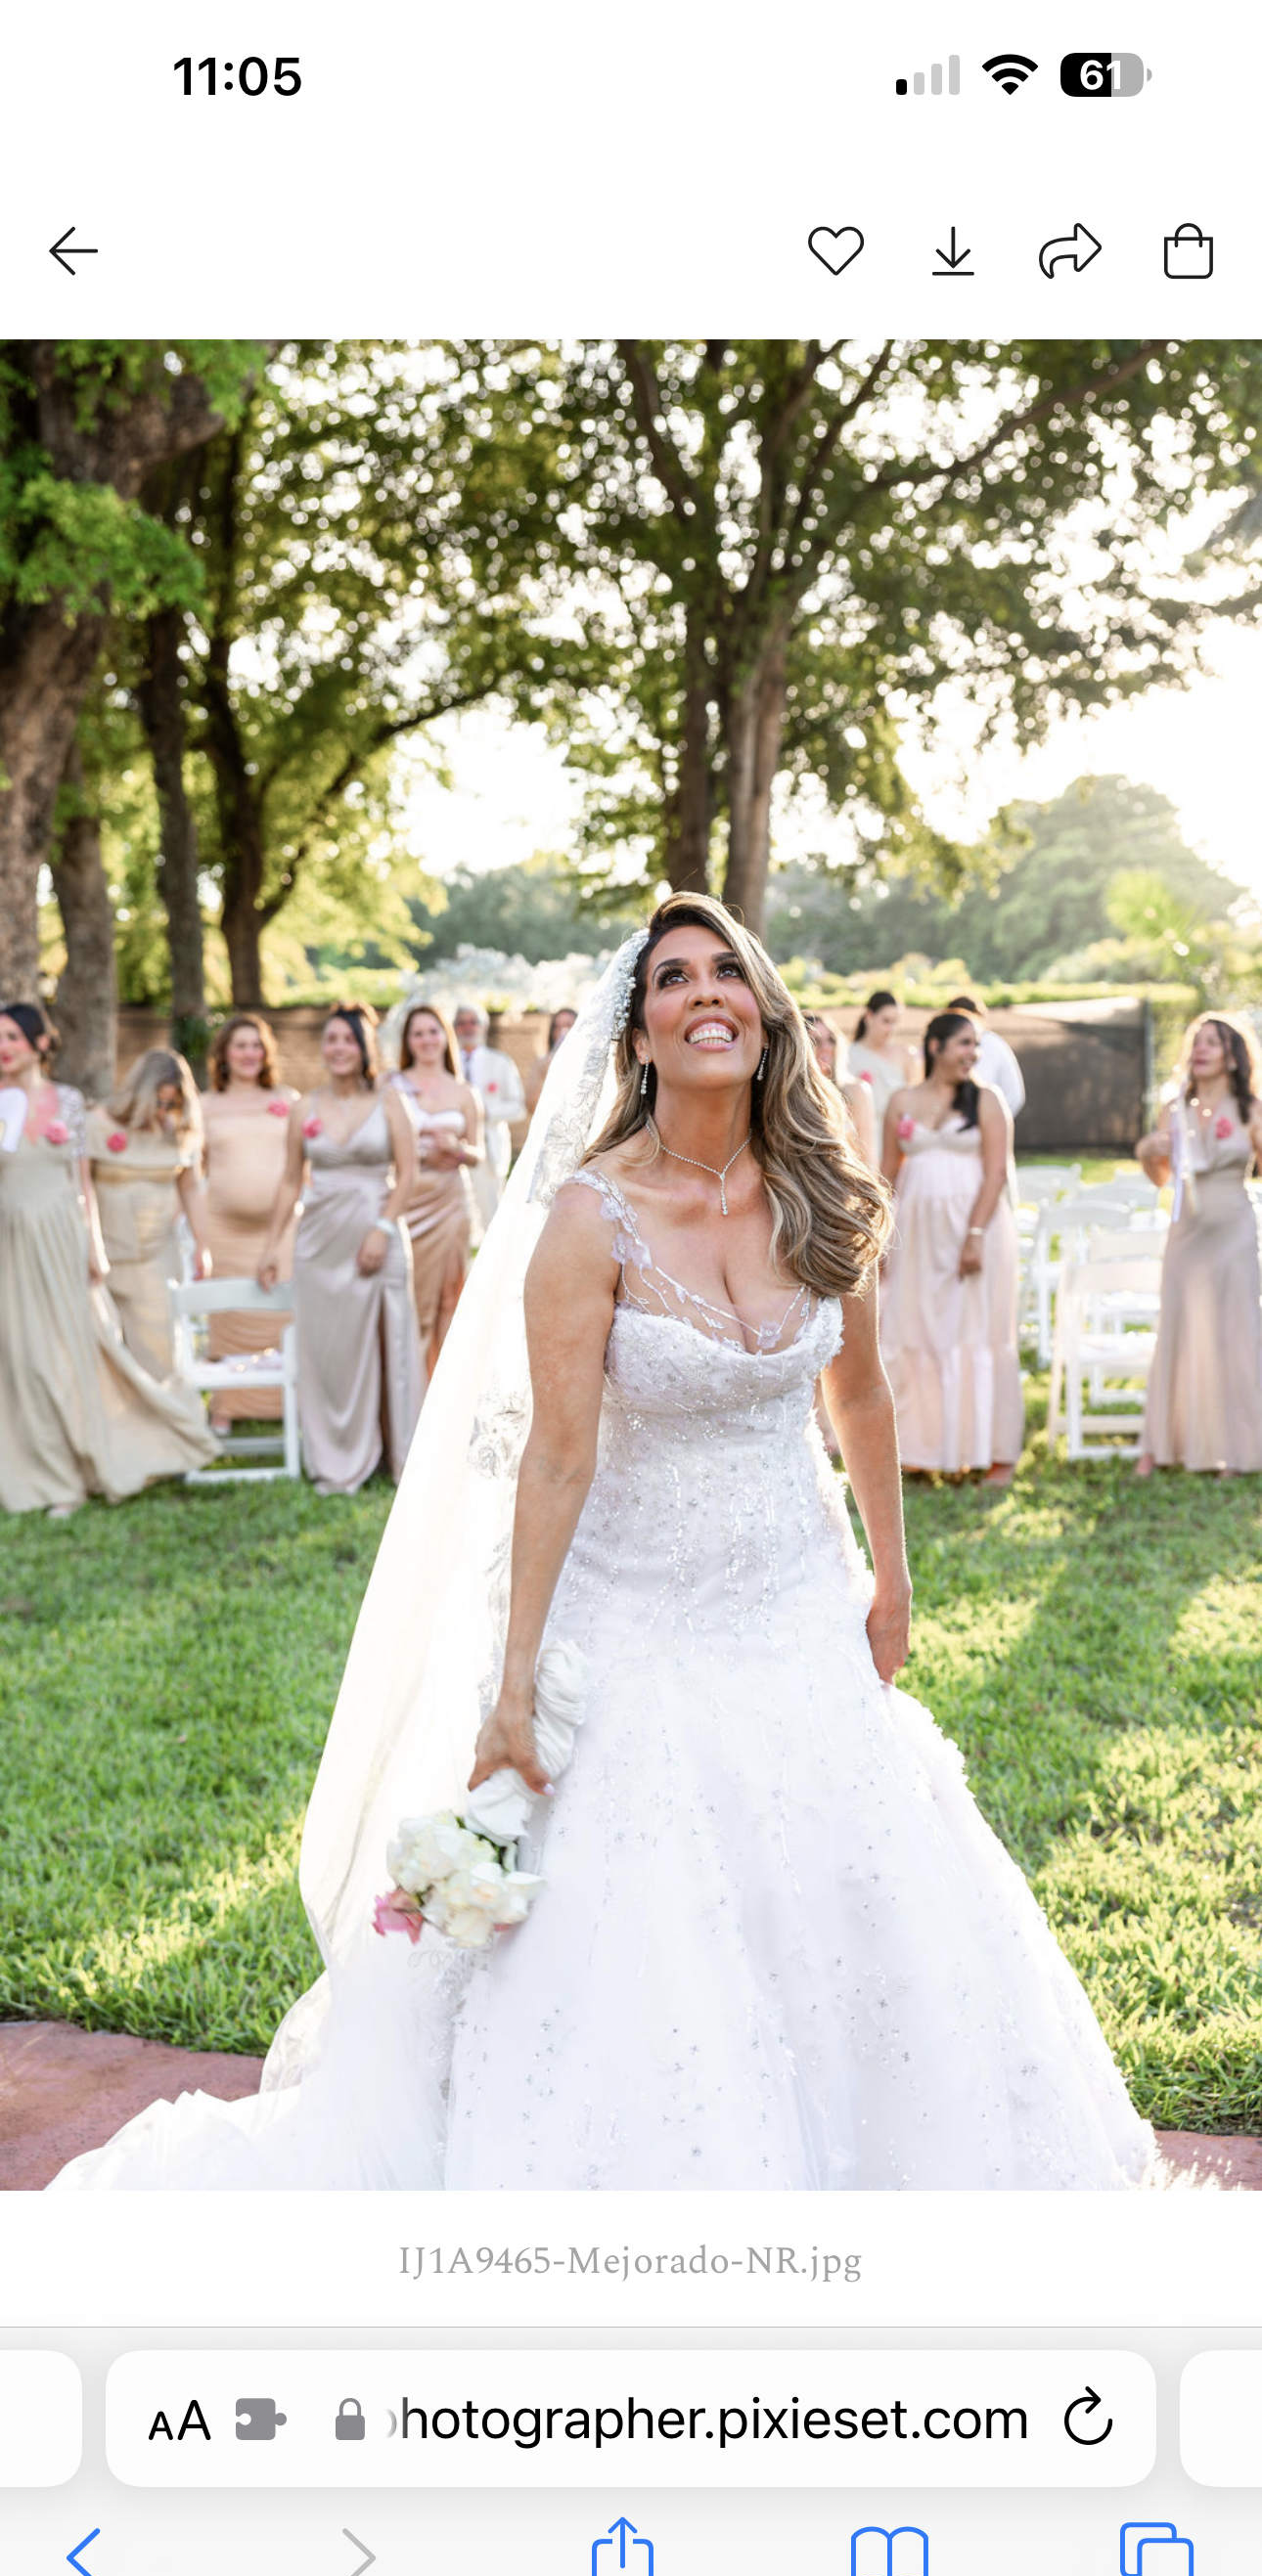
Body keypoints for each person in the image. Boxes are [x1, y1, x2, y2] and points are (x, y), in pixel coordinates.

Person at [49, 907, 1151, 2193]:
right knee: (651, 1933)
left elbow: (857, 1399)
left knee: (864, 1899)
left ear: (761, 1011)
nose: (705, 991)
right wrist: (515, 1680)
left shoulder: (818, 1188)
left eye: (726, 969)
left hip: (801, 1612)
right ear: (634, 1038)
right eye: (672, 976)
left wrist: (890, 1578)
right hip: (639, 1628)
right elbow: (557, 1457)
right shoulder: (587, 1220)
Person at [0, 1003, 216, 1515]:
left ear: (39, 1043)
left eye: (11, 1036)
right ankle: (44, 1474)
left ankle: (91, 1466)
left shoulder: (69, 1102)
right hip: (10, 1240)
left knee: (70, 1355)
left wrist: (93, 1245)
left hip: (60, 1241)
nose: (3, 1047)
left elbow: (82, 1185)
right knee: (22, 1359)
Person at [257, 1003, 423, 1496]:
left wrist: (381, 1228)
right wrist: (271, 1246)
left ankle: (399, 1456)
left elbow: (409, 1173)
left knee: (392, 1341)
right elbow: (290, 1181)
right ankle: (336, 1457)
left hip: (379, 1232)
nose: (338, 1049)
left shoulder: (392, 1100)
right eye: (330, 1040)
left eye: (348, 1040)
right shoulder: (303, 1109)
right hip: (320, 1243)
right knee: (329, 1351)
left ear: (364, 1047)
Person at [879, 1008, 1023, 1486]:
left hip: (974, 1230)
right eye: (964, 1043)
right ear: (935, 1047)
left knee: (976, 1331)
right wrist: (879, 1237)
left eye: (976, 1046)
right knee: (915, 1326)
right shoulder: (901, 1100)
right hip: (916, 1235)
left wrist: (975, 1235)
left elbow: (997, 1171)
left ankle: (991, 1452)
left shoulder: (986, 1101)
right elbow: (886, 1173)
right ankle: (918, 1451)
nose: (973, 1054)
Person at [1135, 1012, 1262, 1479]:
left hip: (1232, 1230)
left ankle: (1235, 1449)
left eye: (1212, 1042)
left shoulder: (1250, 1107)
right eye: (1197, 1042)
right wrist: (1150, 1151)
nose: (1201, 1049)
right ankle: (1161, 1446)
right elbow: (1160, 1178)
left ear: (1232, 1055)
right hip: (1186, 1232)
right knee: (1177, 1329)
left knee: (1234, 1333)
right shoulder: (1175, 1107)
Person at [201, 1016, 299, 1434]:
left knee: (279, 1314)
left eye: (256, 1046)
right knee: (230, 1312)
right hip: (222, 1228)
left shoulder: (288, 1099)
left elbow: (303, 1166)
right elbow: (190, 1170)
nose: (248, 1054)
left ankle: (285, 1402)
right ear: (223, 1054)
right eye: (239, 1046)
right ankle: (226, 1405)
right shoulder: (204, 1105)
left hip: (280, 1229)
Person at [86, 1049, 208, 1378]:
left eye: (171, 1104)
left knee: (158, 1350)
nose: (163, 1111)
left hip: (156, 1253)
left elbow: (191, 1187)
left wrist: (203, 1245)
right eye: (158, 1101)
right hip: (104, 1252)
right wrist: (92, 1245)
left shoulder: (178, 1132)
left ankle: (162, 1422)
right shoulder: (98, 1123)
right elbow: (82, 1188)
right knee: (103, 1350)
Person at [389, 1002, 484, 1378]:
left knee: (449, 1294)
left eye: (433, 1032)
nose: (426, 1040)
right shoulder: (391, 1085)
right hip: (405, 1199)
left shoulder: (464, 1092)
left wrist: (456, 1149)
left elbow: (478, 1154)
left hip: (448, 1201)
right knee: (406, 1295)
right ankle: (404, 1383)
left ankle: (440, 1386)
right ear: (408, 1041)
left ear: (443, 1037)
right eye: (418, 1033)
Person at [452, 1000, 526, 1231]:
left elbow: (518, 1107)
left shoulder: (500, 1062)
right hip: (453, 1148)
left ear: (483, 1027)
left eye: (473, 1022)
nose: (467, 1028)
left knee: (491, 1215)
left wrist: (481, 1110)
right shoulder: (446, 1063)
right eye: (461, 1023)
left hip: (489, 1149)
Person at [805, 1010, 878, 1169]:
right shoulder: (791, 1095)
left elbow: (868, 1158)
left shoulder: (856, 1091)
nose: (825, 1047)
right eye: (815, 1041)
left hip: (846, 1185)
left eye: (830, 1040)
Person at [845, 989, 918, 1145]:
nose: (891, 1028)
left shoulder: (906, 1054)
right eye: (886, 1021)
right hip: (862, 1138)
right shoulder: (848, 1054)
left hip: (897, 1136)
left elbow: (915, 1101)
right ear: (869, 1017)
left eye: (895, 1022)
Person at [946, 992, 1026, 1120]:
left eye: (976, 1044)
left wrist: (992, 1124)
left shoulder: (993, 1044)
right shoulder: (938, 1046)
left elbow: (1014, 1095)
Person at [524, 1006, 578, 1119]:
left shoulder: (589, 1064)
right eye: (557, 1027)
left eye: (569, 1025)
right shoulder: (541, 1063)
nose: (563, 1032)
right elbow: (530, 1106)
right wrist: (545, 1074)